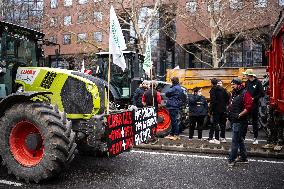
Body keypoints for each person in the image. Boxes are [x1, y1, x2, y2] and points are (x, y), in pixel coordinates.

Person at [228, 78, 253, 167]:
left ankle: (231, 159)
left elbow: (248, 107)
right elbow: (231, 104)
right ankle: (244, 158)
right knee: (240, 140)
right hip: (233, 119)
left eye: (233, 84)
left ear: (239, 84)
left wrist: (239, 115)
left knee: (235, 141)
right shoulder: (234, 93)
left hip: (240, 121)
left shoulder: (245, 93)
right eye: (231, 85)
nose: (232, 86)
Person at [243, 69, 265, 144]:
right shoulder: (247, 82)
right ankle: (243, 137)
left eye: (246, 74)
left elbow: (262, 93)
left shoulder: (258, 82)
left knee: (254, 121)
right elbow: (245, 92)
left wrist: (254, 98)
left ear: (249, 75)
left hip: (254, 104)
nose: (245, 76)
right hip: (247, 104)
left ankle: (255, 138)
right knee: (244, 120)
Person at [208, 78, 230, 144]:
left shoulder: (212, 90)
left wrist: (210, 110)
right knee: (222, 124)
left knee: (215, 124)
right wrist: (224, 104)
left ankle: (217, 139)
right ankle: (223, 138)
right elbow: (227, 98)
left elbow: (213, 101)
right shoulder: (223, 89)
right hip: (223, 109)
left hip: (216, 109)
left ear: (211, 83)